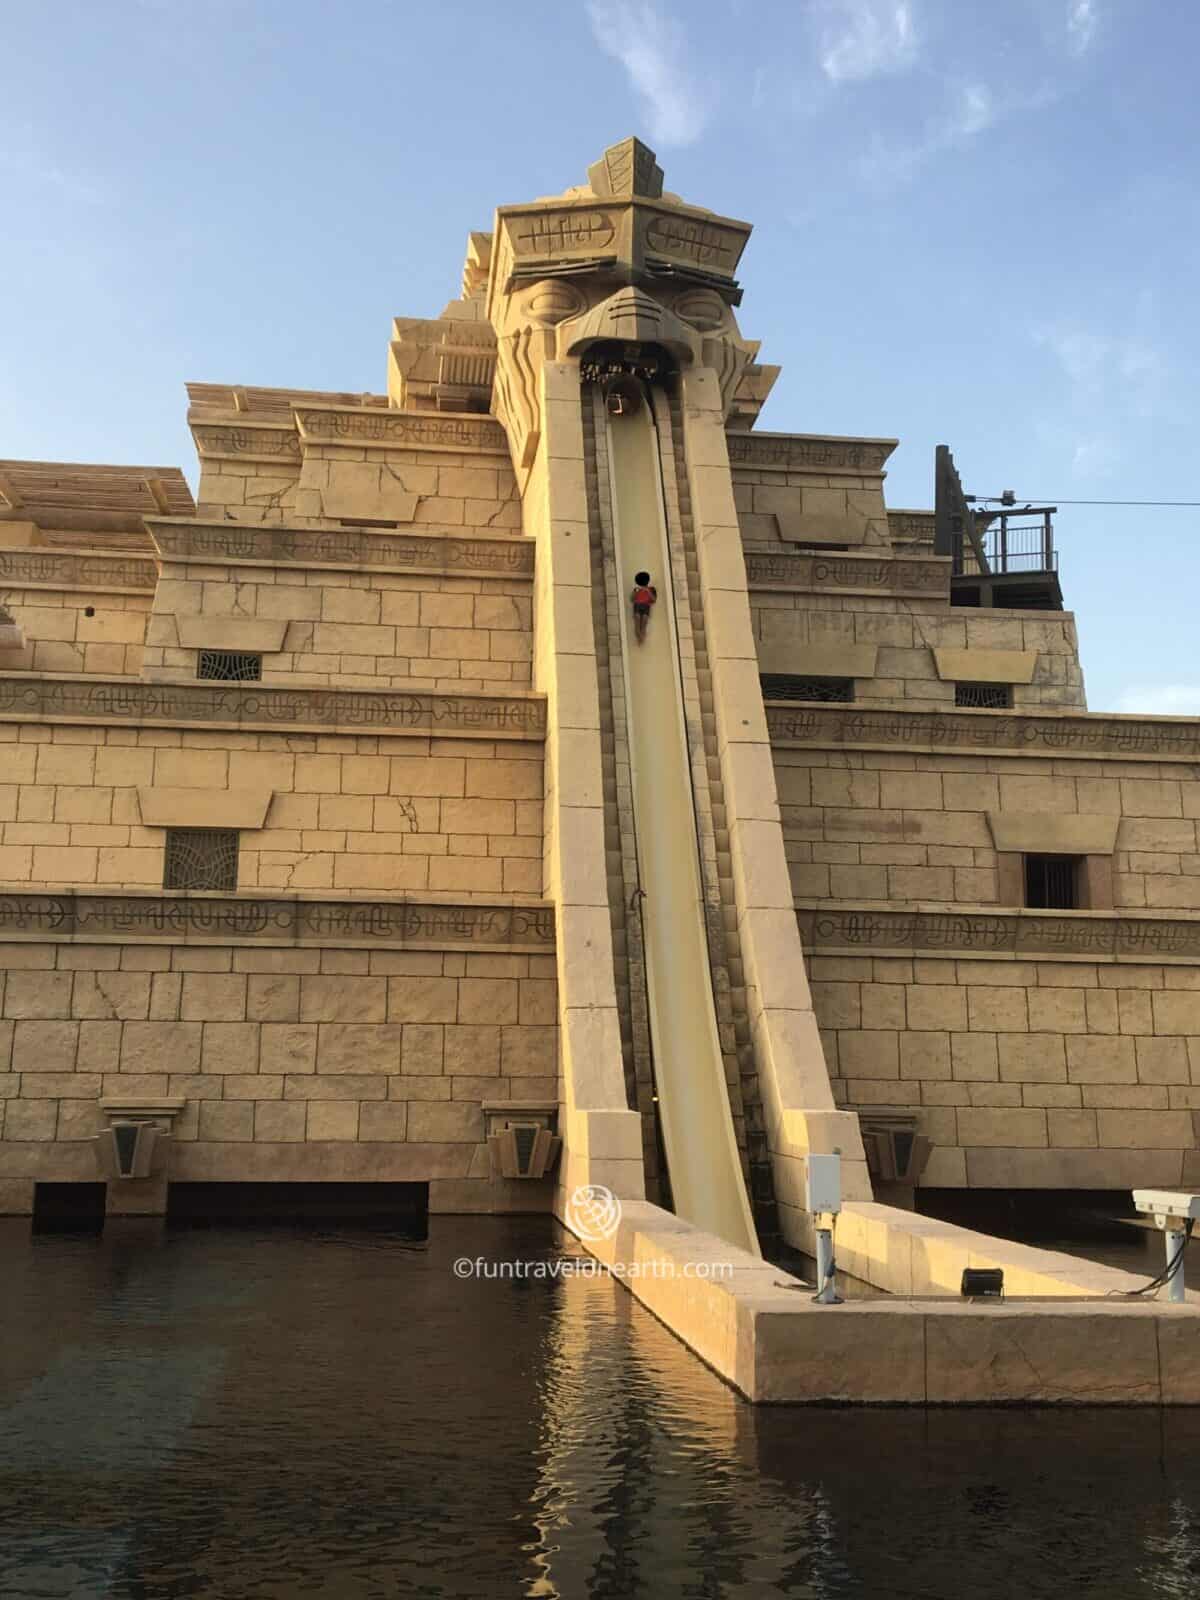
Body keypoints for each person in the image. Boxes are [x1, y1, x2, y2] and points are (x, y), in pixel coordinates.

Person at [630, 571, 657, 643]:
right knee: (637, 621)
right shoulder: (636, 589)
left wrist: (647, 591)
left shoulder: (651, 589)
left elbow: (654, 600)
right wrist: (635, 592)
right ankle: (640, 638)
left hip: (646, 605)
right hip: (638, 605)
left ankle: (641, 638)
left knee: (644, 622)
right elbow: (632, 599)